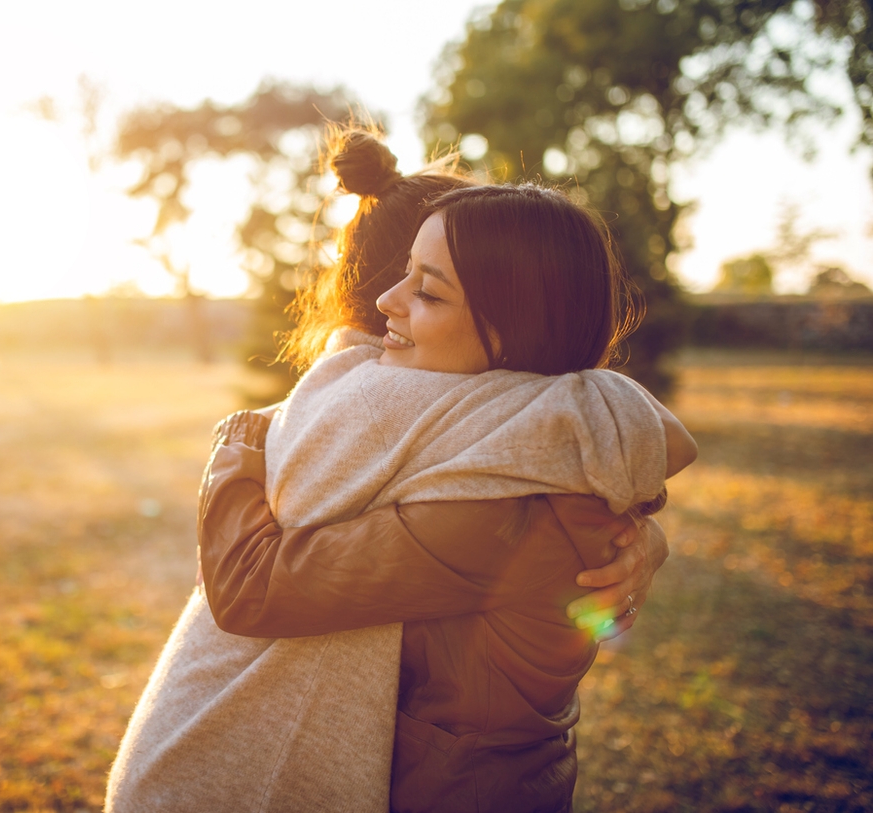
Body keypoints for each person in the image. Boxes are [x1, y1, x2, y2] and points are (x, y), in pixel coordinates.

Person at [105, 130, 679, 813]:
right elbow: (616, 431)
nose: (385, 306)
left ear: (517, 325)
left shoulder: (506, 503)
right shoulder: (509, 440)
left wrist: (243, 438)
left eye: (429, 292)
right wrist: (645, 528)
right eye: (401, 274)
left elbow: (251, 585)